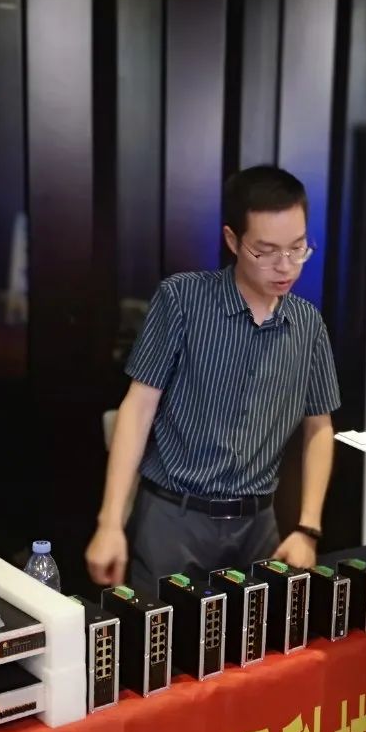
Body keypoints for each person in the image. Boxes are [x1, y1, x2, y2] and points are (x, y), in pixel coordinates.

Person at [85, 165, 341, 594]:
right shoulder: (182, 300)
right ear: (232, 240)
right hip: (173, 519)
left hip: (259, 526)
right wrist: (110, 522)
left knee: (261, 638)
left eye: (297, 248)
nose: (285, 266)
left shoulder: (308, 325)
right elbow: (138, 408)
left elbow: (319, 427)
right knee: (162, 635)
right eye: (266, 251)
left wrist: (308, 528)